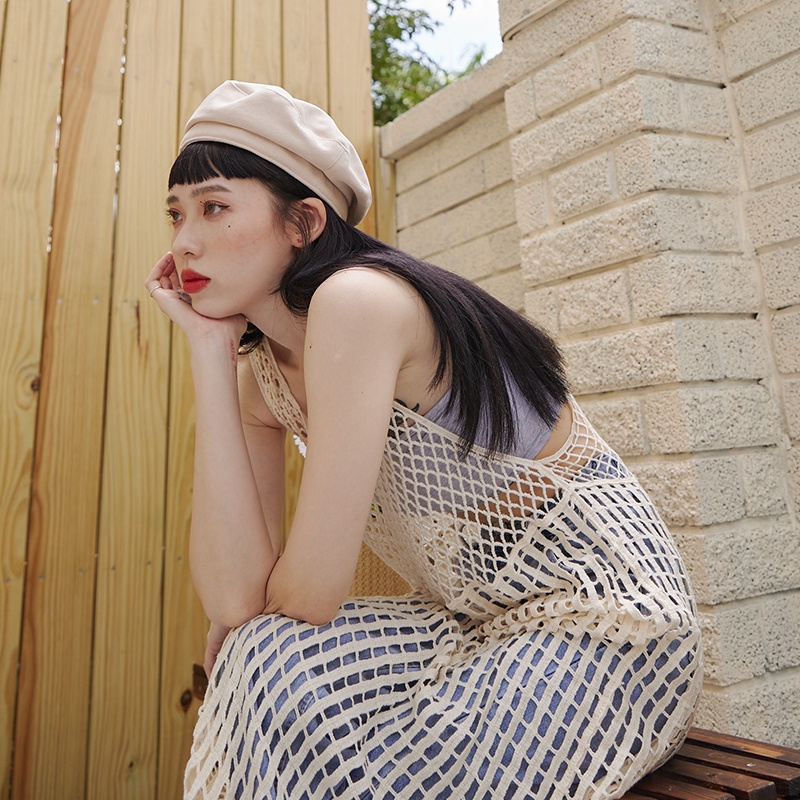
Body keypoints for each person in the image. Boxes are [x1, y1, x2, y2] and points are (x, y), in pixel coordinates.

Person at [146, 81, 702, 800]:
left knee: (281, 671)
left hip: (606, 624)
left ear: (303, 222)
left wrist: (257, 633)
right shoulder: (266, 378)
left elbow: (310, 593)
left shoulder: (359, 302)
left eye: (214, 207)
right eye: (176, 214)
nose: (183, 242)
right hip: (469, 625)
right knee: (259, 656)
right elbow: (235, 600)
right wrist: (209, 354)